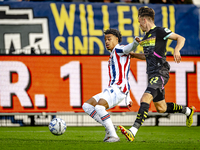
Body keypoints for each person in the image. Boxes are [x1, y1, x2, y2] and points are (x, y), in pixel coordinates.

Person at [119, 6, 195, 142]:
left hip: (160, 72)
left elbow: (180, 38)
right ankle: (188, 111)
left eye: (139, 22)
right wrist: (134, 55)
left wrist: (177, 50)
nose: (139, 24)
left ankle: (133, 131)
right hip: (152, 74)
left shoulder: (159, 31)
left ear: (144, 20)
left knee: (145, 98)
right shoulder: (146, 36)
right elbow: (148, 56)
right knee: (161, 108)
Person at [82, 28, 140, 142]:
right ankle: (109, 127)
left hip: (117, 89)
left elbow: (128, 48)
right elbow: (126, 76)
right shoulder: (114, 53)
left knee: (99, 107)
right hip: (114, 88)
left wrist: (135, 42)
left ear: (116, 39)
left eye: (109, 39)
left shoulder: (119, 48)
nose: (106, 42)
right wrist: (128, 97)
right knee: (87, 106)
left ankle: (113, 136)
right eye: (105, 40)